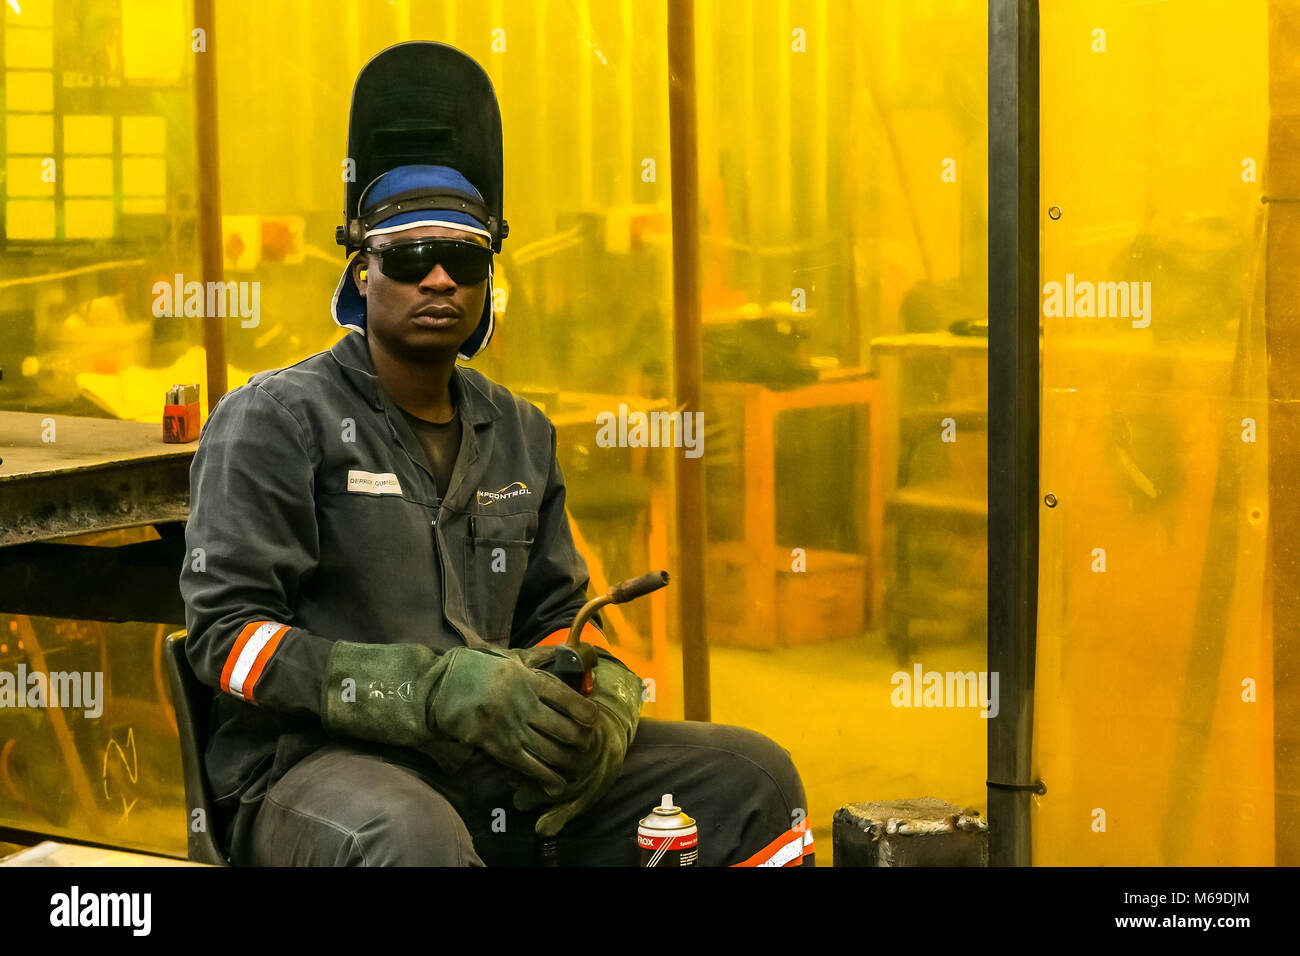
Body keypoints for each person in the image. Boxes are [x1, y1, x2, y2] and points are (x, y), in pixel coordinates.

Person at [179, 162, 813, 866]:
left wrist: (602, 703)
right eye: (412, 257)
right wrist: (427, 692)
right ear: (362, 273)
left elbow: (557, 617)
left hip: (489, 766)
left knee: (751, 781)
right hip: (315, 770)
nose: (440, 280)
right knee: (410, 837)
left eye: (465, 259)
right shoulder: (277, 418)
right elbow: (226, 640)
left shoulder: (520, 432)